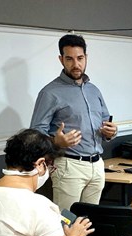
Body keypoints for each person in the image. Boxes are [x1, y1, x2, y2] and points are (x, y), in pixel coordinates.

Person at [30, 34, 118, 211]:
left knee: (91, 220)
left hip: (97, 165)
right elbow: (35, 134)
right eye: (69, 59)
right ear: (61, 59)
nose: (76, 64)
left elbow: (105, 122)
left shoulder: (94, 90)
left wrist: (111, 132)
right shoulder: (50, 92)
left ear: (86, 58)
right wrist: (56, 142)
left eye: (80, 58)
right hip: (69, 165)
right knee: (66, 220)